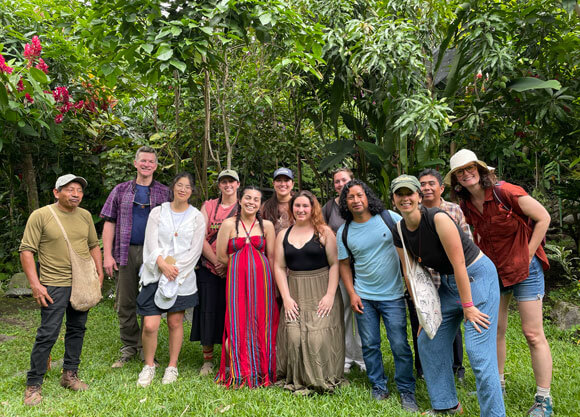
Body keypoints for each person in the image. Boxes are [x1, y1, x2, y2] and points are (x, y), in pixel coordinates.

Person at [446, 149, 553, 416]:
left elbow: (544, 218)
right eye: (460, 171)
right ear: (456, 180)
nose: (466, 173)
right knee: (495, 330)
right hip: (495, 272)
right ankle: (498, 384)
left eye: (471, 168)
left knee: (532, 333)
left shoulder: (506, 192)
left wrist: (527, 255)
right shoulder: (466, 206)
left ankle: (543, 399)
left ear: (481, 171)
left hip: (526, 271)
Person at [391, 174, 505, 416]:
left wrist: (468, 306)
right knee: (428, 343)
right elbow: (410, 275)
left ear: (419, 197)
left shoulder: (438, 218)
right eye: (399, 194)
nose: (405, 198)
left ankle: (495, 413)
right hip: (448, 285)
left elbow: (460, 263)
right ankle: (447, 405)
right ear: (393, 200)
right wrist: (424, 317)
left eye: (409, 193)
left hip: (477, 278)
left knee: (478, 354)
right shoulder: (399, 230)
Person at [20, 174, 104, 406]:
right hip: (53, 284)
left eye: (79, 190)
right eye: (70, 189)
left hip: (81, 282)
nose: (75, 194)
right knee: (48, 333)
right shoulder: (41, 215)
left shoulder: (85, 215)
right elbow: (26, 250)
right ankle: (33, 385)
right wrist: (36, 284)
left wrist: (99, 273)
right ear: (56, 193)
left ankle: (69, 375)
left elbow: (93, 245)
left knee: (77, 329)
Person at [337, 179, 418, 412]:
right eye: (350, 197)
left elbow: (411, 237)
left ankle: (406, 389)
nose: (355, 200)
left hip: (393, 296)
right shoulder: (344, 232)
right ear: (346, 202)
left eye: (359, 195)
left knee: (400, 344)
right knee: (370, 345)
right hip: (364, 297)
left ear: (367, 197)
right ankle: (379, 386)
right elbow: (343, 265)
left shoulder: (388, 218)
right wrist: (352, 294)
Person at [100, 146, 170, 368]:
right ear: (135, 163)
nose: (147, 165)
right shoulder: (120, 191)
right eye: (143, 161)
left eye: (151, 162)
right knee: (125, 301)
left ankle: (146, 349)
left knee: (150, 300)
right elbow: (109, 222)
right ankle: (129, 346)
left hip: (155, 253)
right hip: (126, 250)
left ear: (156, 166)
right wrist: (107, 255)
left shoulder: (165, 192)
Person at [136, 172, 205, 387]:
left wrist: (175, 270)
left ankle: (172, 366)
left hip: (181, 277)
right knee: (150, 324)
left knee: (175, 322)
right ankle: (149, 366)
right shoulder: (158, 212)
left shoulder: (197, 217)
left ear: (192, 191)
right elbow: (150, 242)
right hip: (156, 271)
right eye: (179, 185)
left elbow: (195, 250)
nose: (183, 189)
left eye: (187, 186)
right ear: (173, 187)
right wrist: (162, 265)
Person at [275, 190, 345, 393]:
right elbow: (279, 267)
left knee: (316, 338)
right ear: (292, 208)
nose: (301, 210)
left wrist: (330, 295)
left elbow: (334, 264)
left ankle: (321, 377)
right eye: (297, 206)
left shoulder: (323, 232)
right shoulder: (283, 234)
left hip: (321, 288)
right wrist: (287, 298)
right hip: (295, 289)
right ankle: (297, 377)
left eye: (305, 206)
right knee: (294, 336)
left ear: (313, 208)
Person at [215, 186, 279, 387]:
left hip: (263, 282)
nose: (252, 202)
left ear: (260, 204)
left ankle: (261, 368)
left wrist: (272, 283)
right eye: (248, 198)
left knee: (262, 321)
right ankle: (240, 368)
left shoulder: (267, 226)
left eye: (256, 199)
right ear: (240, 201)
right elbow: (221, 256)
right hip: (236, 283)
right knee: (238, 322)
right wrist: (240, 265)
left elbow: (271, 256)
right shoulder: (228, 224)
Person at [416, 168, 472, 381]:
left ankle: (457, 368)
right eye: (422, 184)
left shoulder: (454, 210)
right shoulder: (415, 213)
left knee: (452, 325)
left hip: (452, 277)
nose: (427, 187)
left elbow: (467, 243)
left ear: (441, 188)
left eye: (431, 183)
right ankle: (423, 369)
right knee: (422, 322)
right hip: (426, 280)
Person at [190, 169, 239, 376]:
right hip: (209, 267)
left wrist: (227, 263)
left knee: (232, 311)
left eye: (232, 181)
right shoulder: (209, 206)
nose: (228, 185)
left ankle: (230, 358)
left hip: (234, 268)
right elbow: (199, 236)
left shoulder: (245, 205)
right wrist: (217, 261)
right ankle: (208, 360)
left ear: (238, 184)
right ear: (219, 185)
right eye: (224, 182)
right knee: (208, 311)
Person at [322, 168, 365, 373]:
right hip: (340, 266)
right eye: (337, 182)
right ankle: (348, 356)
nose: (340, 184)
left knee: (363, 312)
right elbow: (319, 227)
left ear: (352, 180)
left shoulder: (360, 202)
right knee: (345, 312)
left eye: (344, 180)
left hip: (364, 267)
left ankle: (364, 356)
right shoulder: (330, 206)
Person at [261, 167, 295, 235]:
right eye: (279, 180)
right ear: (273, 183)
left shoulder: (299, 204)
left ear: (292, 184)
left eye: (286, 180)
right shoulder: (266, 206)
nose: (282, 184)